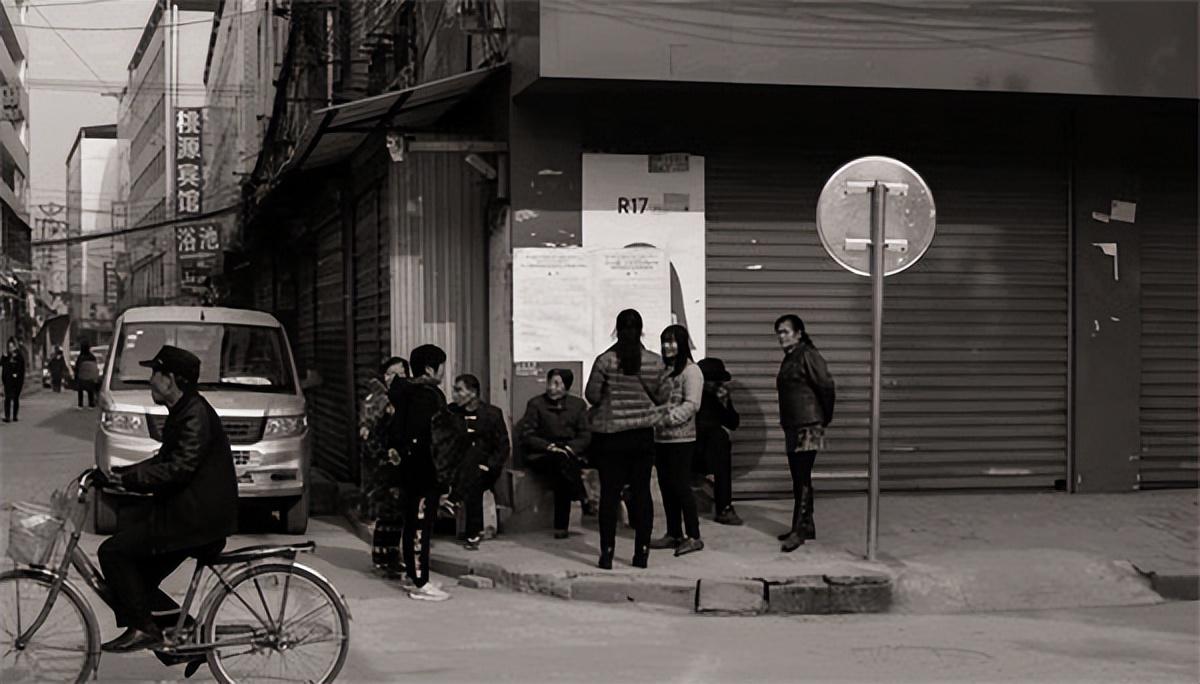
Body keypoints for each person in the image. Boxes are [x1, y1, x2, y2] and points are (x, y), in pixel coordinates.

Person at [96, 345, 238, 656]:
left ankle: (143, 629)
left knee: (113, 552)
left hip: (197, 520)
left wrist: (130, 480)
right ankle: (191, 639)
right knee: (136, 581)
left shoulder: (194, 415)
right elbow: (163, 460)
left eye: (155, 374)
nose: (151, 381)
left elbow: (179, 468)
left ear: (171, 379)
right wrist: (118, 475)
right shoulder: (184, 411)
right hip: (189, 514)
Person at [585, 309, 670, 570]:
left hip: (611, 437)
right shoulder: (655, 362)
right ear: (641, 330)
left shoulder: (605, 361)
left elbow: (592, 396)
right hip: (642, 437)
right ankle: (641, 554)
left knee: (610, 496)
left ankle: (607, 554)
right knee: (642, 493)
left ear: (617, 330)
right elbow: (664, 396)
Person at [388, 343, 450, 601]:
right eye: (442, 367)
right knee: (420, 526)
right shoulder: (425, 396)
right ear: (429, 369)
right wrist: (440, 474)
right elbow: (430, 438)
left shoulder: (406, 392)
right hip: (424, 470)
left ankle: (412, 574)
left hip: (409, 468)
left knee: (412, 523)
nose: (444, 372)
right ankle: (420, 582)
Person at [774, 314, 836, 552]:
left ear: (798, 333)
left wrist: (824, 416)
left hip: (808, 425)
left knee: (801, 476)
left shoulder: (808, 355)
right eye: (779, 333)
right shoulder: (790, 357)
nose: (781, 336)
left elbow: (826, 386)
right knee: (800, 477)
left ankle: (798, 531)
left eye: (785, 331)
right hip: (793, 424)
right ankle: (806, 525)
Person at [432, 374, 510, 551]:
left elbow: (503, 446)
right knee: (472, 472)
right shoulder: (450, 413)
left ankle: (453, 500)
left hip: (485, 468)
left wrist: (489, 465)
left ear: (473, 392)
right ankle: (472, 533)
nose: (454, 395)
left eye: (459, 390)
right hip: (455, 467)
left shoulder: (492, 414)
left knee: (474, 467)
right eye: (454, 390)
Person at [650, 325, 705, 557]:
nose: (667, 346)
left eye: (672, 341)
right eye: (665, 341)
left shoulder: (692, 371)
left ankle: (694, 536)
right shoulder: (664, 371)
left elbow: (692, 404)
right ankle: (674, 533)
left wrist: (668, 419)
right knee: (666, 487)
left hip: (682, 439)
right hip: (661, 439)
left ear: (682, 343)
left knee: (681, 486)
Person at [519, 368, 591, 538]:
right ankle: (581, 496)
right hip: (543, 454)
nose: (552, 388)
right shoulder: (536, 404)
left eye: (557, 384)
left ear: (566, 386)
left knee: (562, 473)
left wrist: (570, 448)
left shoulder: (578, 405)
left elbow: (585, 434)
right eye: (550, 383)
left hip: (569, 453)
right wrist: (549, 447)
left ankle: (561, 527)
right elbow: (527, 434)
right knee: (562, 464)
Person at [360, 356, 409, 575]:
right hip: (383, 465)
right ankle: (383, 558)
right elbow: (367, 436)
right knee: (387, 511)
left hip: (404, 464)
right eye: (390, 374)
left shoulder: (410, 399)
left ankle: (392, 556)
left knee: (398, 513)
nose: (395, 378)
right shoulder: (376, 401)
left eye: (400, 374)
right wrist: (385, 457)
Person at [696, 358, 742, 525]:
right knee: (717, 435)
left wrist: (725, 404)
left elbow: (733, 423)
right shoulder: (693, 394)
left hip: (710, 452)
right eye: (713, 382)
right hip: (690, 449)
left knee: (720, 437)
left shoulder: (718, 396)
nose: (717, 385)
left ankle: (724, 507)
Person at [2, 337, 25, 423]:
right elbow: (2, 364)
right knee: (7, 398)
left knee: (15, 398)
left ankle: (15, 416)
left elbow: (21, 369)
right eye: (9, 347)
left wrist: (17, 374)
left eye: (12, 347)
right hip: (8, 380)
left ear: (15, 347)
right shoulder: (7, 356)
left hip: (17, 381)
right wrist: (3, 357)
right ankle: (7, 416)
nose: (10, 349)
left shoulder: (19, 356)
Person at [75, 340, 100, 409]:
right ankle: (91, 403)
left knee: (80, 390)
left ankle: (80, 404)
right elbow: (95, 366)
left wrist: (76, 376)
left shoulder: (80, 357)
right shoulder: (92, 357)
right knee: (90, 390)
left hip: (82, 377)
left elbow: (77, 367)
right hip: (91, 377)